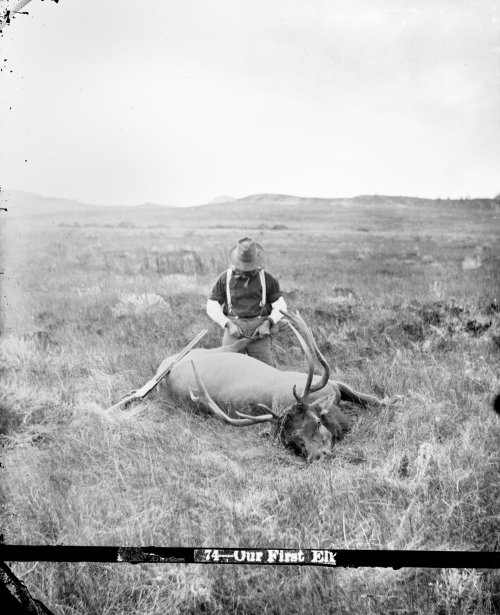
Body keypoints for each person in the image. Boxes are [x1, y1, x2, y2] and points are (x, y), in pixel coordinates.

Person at [206, 236, 287, 365]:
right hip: (233, 333)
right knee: (228, 369)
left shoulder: (267, 279)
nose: (246, 271)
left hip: (260, 335)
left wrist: (267, 324)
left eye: (250, 267)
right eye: (243, 267)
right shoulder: (225, 278)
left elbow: (281, 306)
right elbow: (211, 306)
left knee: (264, 372)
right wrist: (228, 324)